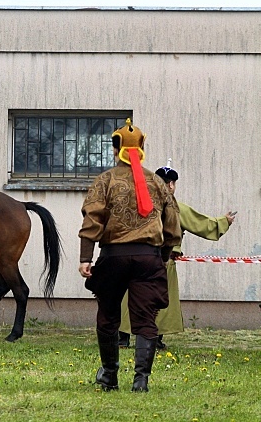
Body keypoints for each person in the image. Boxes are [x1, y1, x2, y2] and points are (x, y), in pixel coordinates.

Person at [78, 119, 182, 392]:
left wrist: (85, 257)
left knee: (108, 316)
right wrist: (162, 256)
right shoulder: (159, 184)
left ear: (116, 149)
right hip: (148, 257)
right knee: (146, 319)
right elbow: (172, 226)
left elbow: (92, 218)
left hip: (113, 257)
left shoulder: (105, 180)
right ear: (142, 147)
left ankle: (110, 375)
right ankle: (141, 381)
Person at [118, 160, 236, 349]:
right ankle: (151, 338)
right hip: (161, 261)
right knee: (158, 299)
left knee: (131, 297)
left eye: (171, 183)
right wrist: (223, 222)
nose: (171, 186)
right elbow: (201, 224)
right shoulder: (174, 208)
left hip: (138, 259)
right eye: (169, 182)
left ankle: (124, 337)